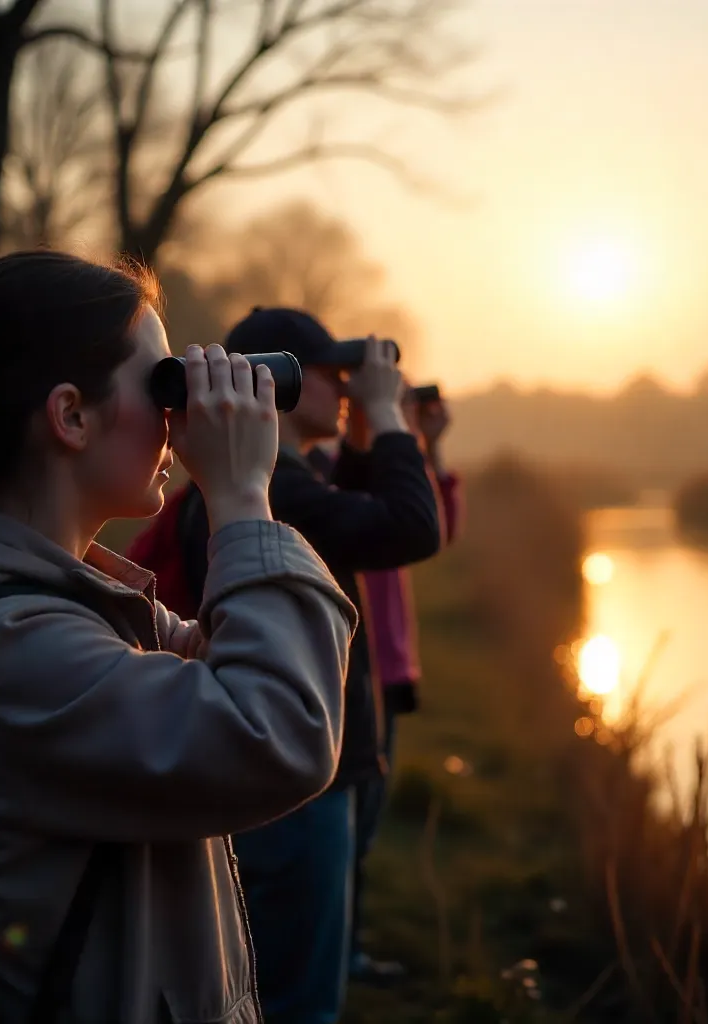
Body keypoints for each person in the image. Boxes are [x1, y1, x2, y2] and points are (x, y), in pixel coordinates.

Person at [0, 252, 355, 1024]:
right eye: (161, 384)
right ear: (71, 417)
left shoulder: (68, 610)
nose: (177, 416)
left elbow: (241, 670)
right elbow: (281, 731)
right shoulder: (9, 651)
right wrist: (242, 494)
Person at [177, 307, 441, 1023]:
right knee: (298, 1001)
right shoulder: (277, 491)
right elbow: (409, 527)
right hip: (298, 787)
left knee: (287, 978)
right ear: (278, 381)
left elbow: (354, 515)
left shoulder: (285, 484)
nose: (346, 387)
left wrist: (373, 434)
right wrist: (386, 414)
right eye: (330, 373)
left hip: (307, 765)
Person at [345, 384, 463, 982]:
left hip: (387, 668)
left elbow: (438, 529)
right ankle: (336, 955)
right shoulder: (350, 469)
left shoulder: (392, 467)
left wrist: (428, 448)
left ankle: (344, 948)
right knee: (349, 820)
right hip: (358, 671)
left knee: (364, 823)